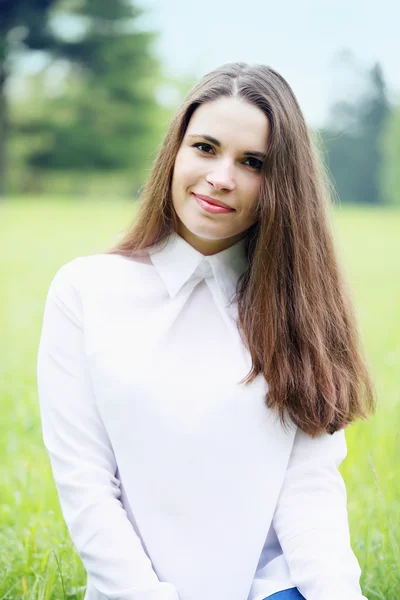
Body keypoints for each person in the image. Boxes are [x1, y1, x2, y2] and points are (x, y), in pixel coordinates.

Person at [36, 62, 376, 600]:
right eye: (205, 147)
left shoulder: (300, 309)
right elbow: (87, 487)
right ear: (175, 151)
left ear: (282, 184)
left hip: (273, 589)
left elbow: (308, 490)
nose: (222, 177)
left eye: (253, 162)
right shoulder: (86, 292)